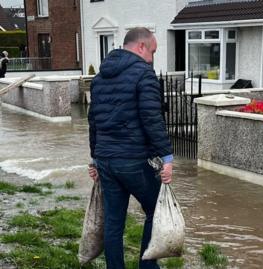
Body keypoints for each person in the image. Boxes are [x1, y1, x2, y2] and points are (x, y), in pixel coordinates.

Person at [87, 27, 173, 269]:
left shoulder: (99, 78)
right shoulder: (144, 75)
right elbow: (152, 119)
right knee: (156, 210)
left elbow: (93, 120)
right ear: (141, 47)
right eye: (153, 51)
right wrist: (167, 157)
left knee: (114, 221)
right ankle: (147, 267)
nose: (152, 58)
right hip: (132, 160)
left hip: (106, 160)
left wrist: (94, 158)